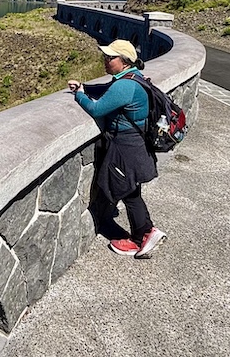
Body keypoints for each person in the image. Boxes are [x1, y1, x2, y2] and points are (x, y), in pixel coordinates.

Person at [67, 39, 166, 258]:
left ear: (124, 61)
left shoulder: (125, 85)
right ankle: (145, 233)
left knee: (128, 191)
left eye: (110, 57)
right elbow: (108, 89)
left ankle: (143, 236)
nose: (106, 60)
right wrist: (86, 86)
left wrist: (79, 94)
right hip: (136, 144)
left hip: (126, 147)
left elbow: (96, 109)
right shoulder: (134, 78)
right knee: (131, 190)